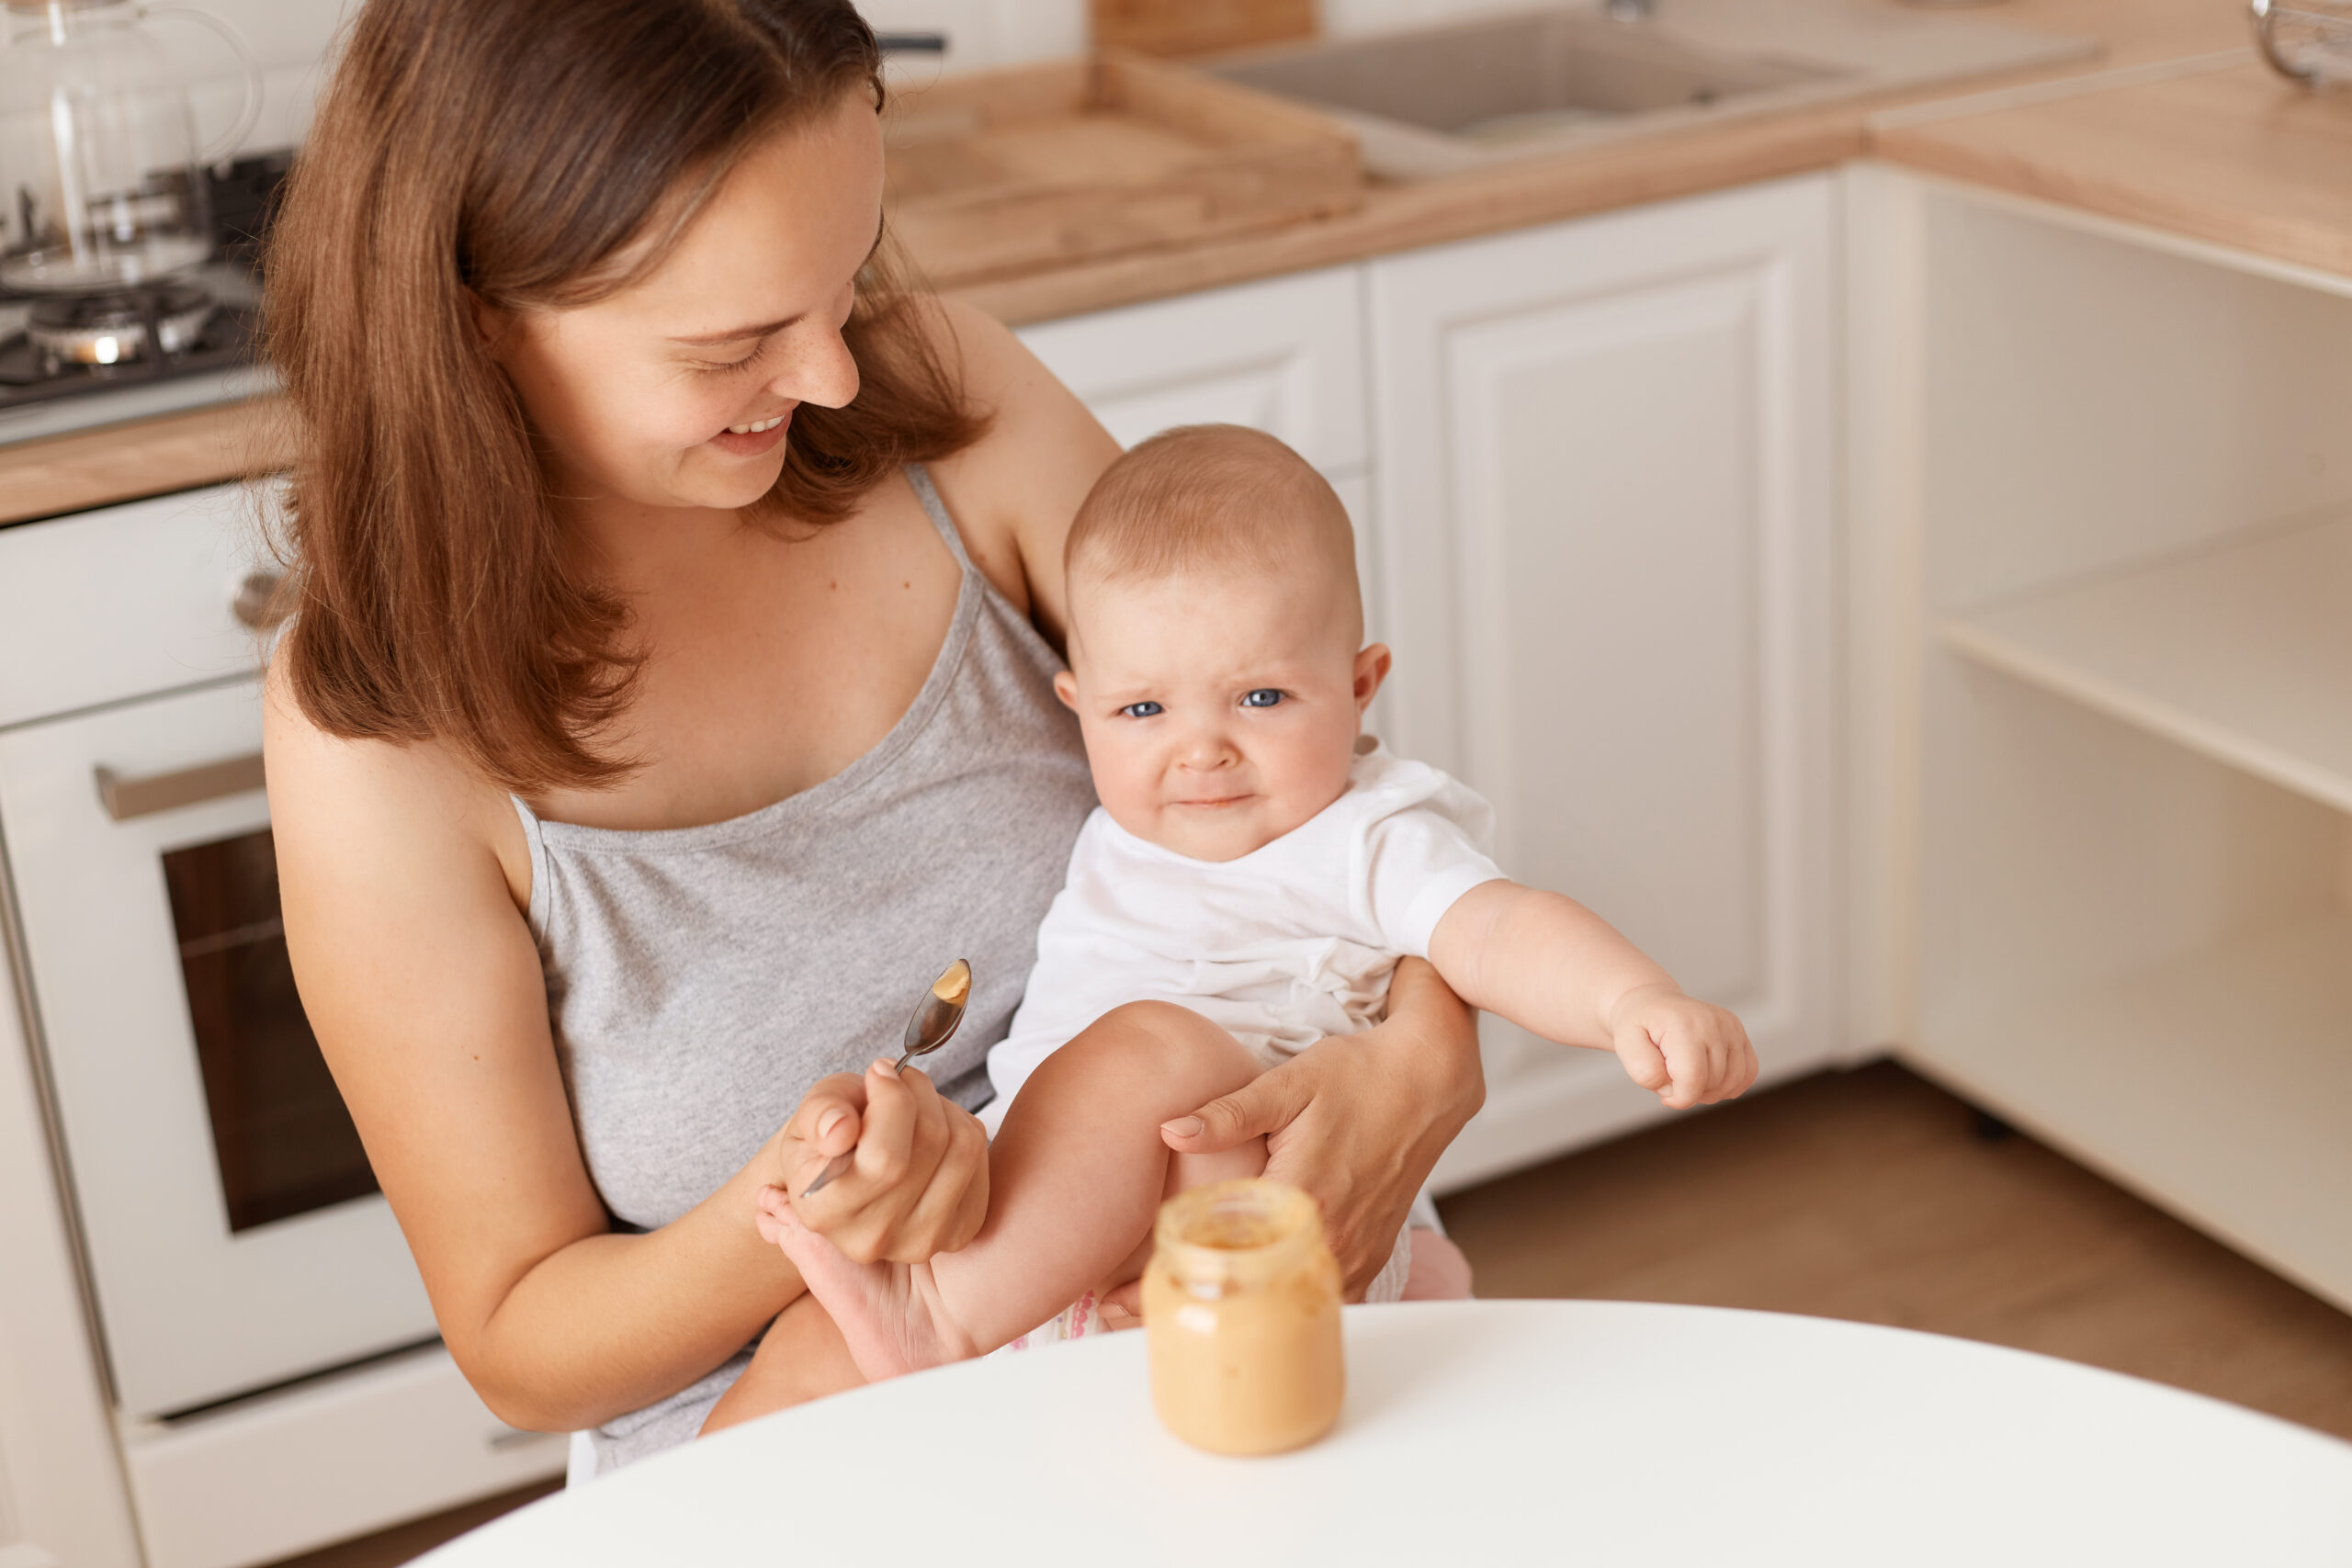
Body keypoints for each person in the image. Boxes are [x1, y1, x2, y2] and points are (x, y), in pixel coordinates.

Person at [262, 0, 1485, 1476]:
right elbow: (521, 1337)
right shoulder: (383, 732)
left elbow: (1329, 806)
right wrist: (798, 1203)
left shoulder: (956, 411)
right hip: (807, 1450)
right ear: (473, 318)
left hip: (1227, 1331)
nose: (837, 377)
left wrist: (1421, 1067)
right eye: (735, 343)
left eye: (843, 286)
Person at [719, 425, 1758, 1398]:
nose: (1200, 747)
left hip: (1249, 1222)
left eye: (1258, 699)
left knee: (1154, 1050)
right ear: (1079, 708)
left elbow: (1494, 928)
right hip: (1044, 1243)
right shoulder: (1125, 828)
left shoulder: (1366, 834)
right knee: (803, 1355)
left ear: (1359, 687)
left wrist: (1631, 1000)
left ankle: (936, 1319)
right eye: (1143, 710)